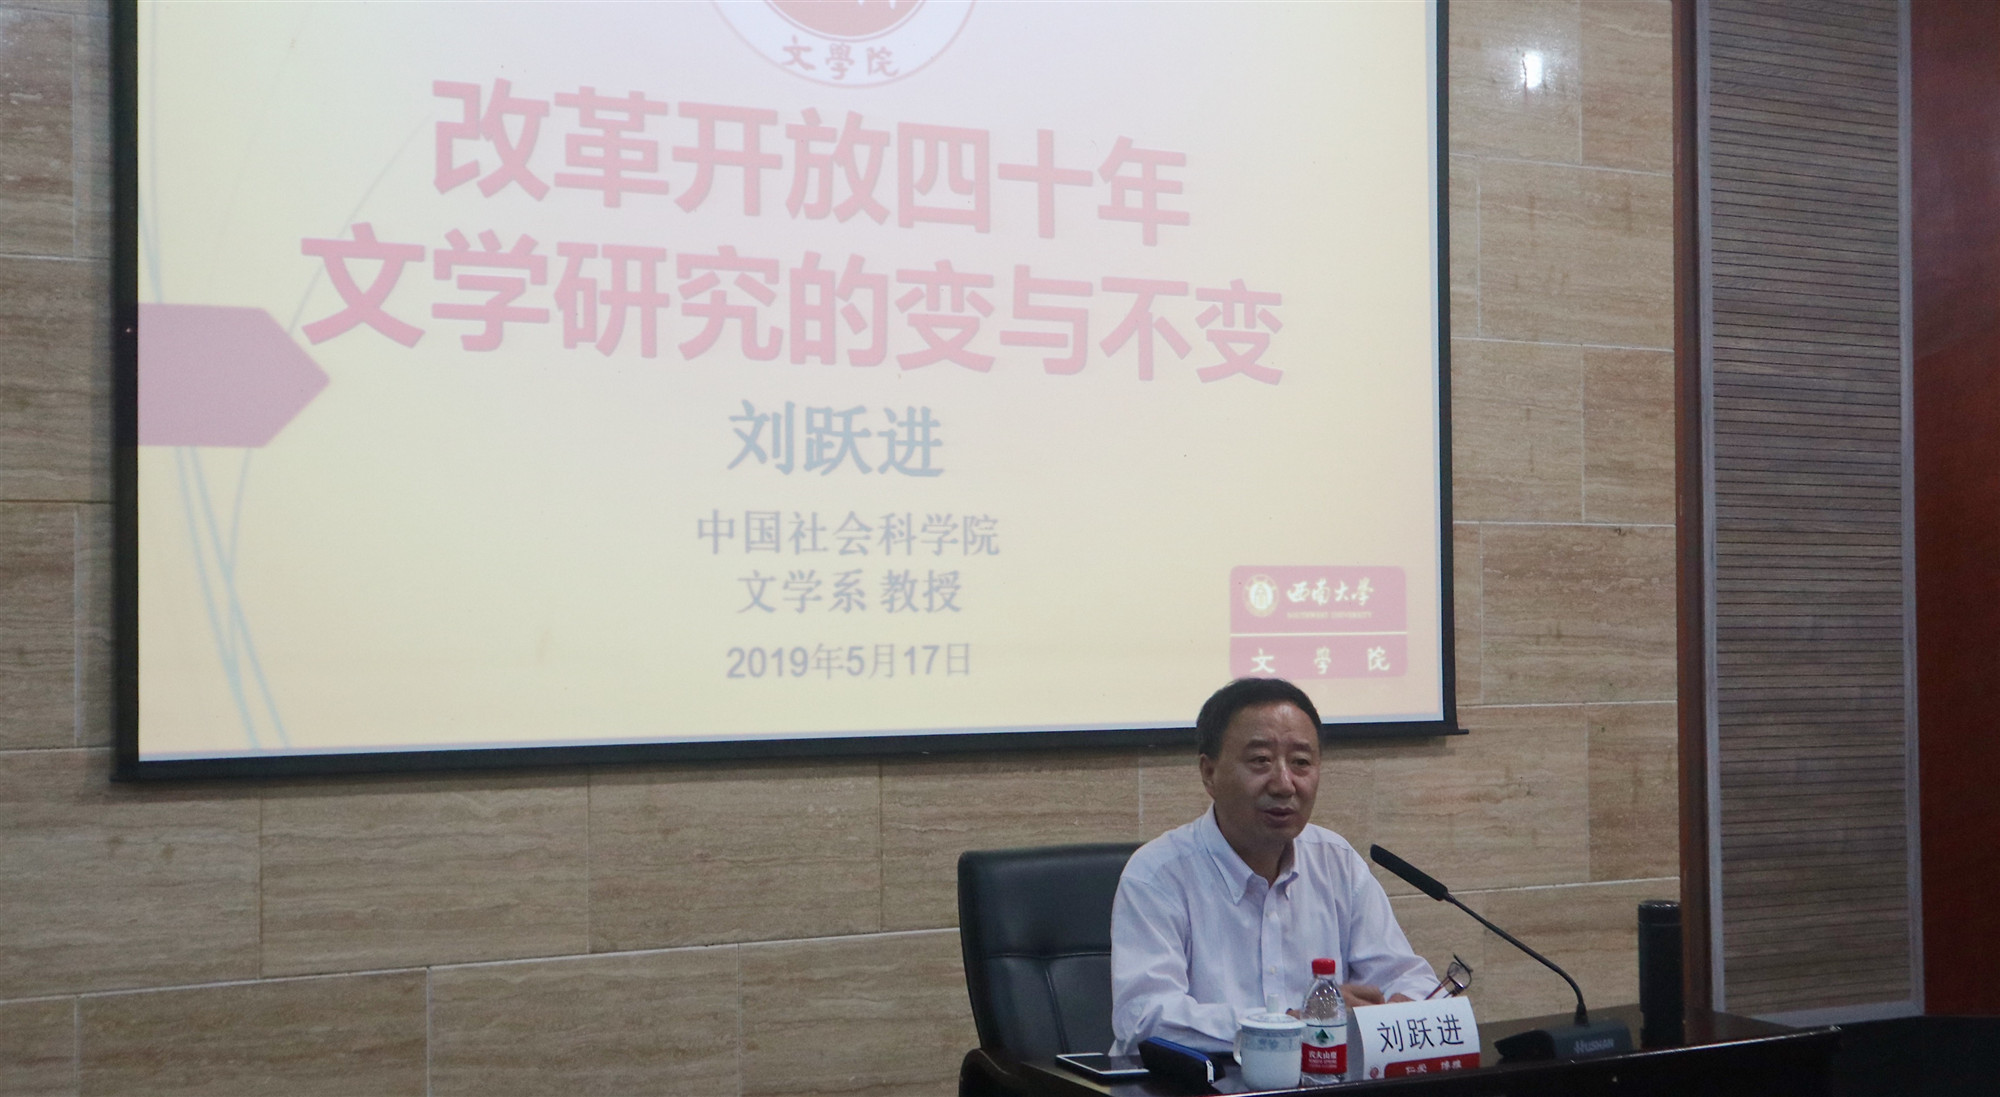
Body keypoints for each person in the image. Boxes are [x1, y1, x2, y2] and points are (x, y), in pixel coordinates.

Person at [1110, 677, 1437, 1055]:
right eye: (1260, 761)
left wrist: (1398, 1012)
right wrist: (1290, 1023)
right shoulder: (1157, 874)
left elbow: (1411, 980)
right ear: (1209, 773)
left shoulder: (1337, 862)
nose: (1284, 784)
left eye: (1301, 763)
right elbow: (1144, 1019)